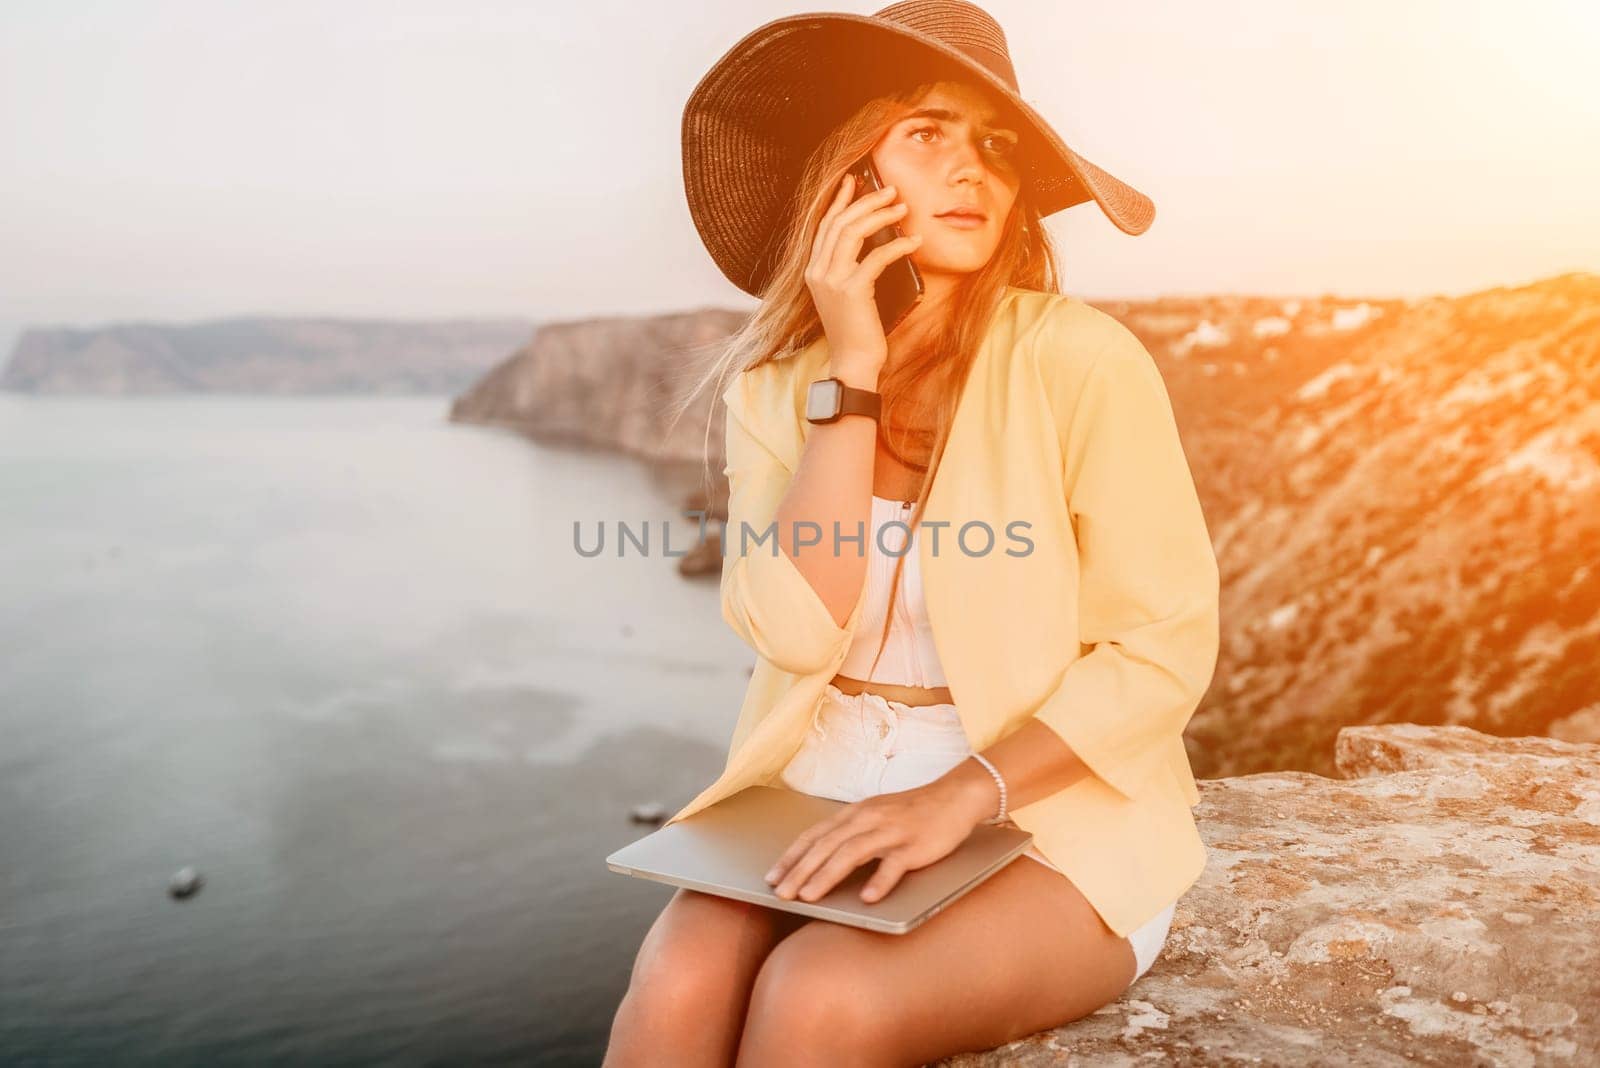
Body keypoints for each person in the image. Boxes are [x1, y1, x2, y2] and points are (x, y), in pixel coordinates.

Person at [607, 2, 1220, 1064]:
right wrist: (851, 377)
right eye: (927, 134)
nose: (971, 169)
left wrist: (960, 794)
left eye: (995, 145)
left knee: (818, 997)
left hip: (1043, 806)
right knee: (677, 983)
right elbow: (795, 634)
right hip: (815, 779)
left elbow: (1160, 646)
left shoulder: (1079, 360)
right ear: (849, 175)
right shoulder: (776, 385)